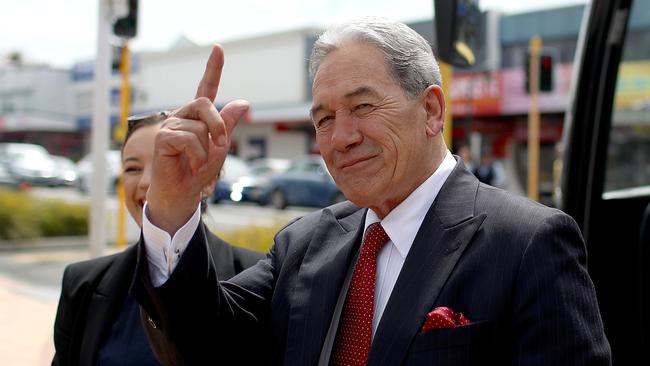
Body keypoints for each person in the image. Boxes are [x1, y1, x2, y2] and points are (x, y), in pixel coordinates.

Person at [132, 18, 611, 365]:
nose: (341, 137)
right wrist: (174, 207)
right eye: (324, 119)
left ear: (431, 110)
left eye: (362, 106)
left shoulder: (527, 243)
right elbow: (198, 346)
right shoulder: (302, 245)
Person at [51, 112, 263, 366]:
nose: (146, 181)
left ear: (208, 181)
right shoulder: (83, 284)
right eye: (132, 168)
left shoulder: (256, 278)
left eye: (167, 163)